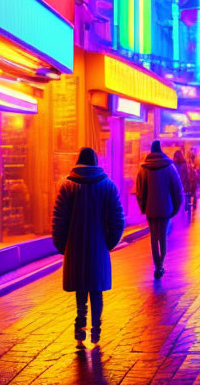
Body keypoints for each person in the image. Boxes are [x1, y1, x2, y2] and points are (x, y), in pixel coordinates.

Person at [52, 147, 125, 348]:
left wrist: (61, 245)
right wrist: (109, 242)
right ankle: (96, 330)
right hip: (99, 247)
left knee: (81, 290)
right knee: (97, 289)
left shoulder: (67, 186)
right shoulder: (108, 186)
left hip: (75, 248)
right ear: (95, 162)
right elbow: (118, 219)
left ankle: (79, 327)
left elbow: (59, 219)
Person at [135, 140, 183, 278]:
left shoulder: (144, 168)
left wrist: (143, 207)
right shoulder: (169, 167)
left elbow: (139, 190)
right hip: (165, 208)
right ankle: (161, 265)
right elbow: (177, 188)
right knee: (162, 236)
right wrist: (176, 206)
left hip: (150, 209)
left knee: (153, 236)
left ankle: (157, 265)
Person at [173, 149, 197, 216]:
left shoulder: (173, 165)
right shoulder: (183, 164)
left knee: (178, 200)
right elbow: (186, 176)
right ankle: (183, 211)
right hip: (182, 185)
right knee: (183, 199)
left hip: (177, 185)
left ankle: (179, 212)